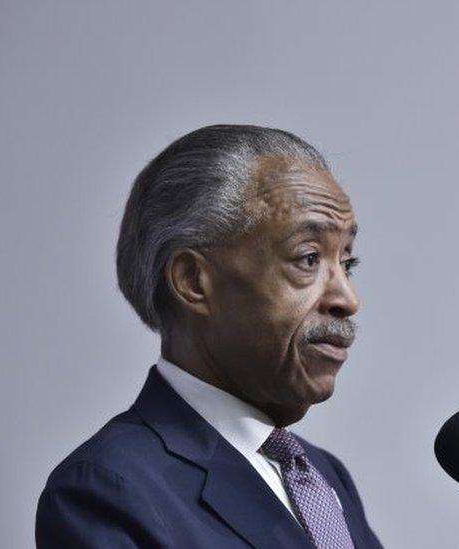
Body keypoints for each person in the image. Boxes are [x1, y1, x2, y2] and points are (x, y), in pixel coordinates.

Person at [36, 125, 383, 548]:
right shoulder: (108, 489)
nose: (347, 298)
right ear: (193, 281)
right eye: (308, 258)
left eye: (347, 264)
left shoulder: (325, 477)